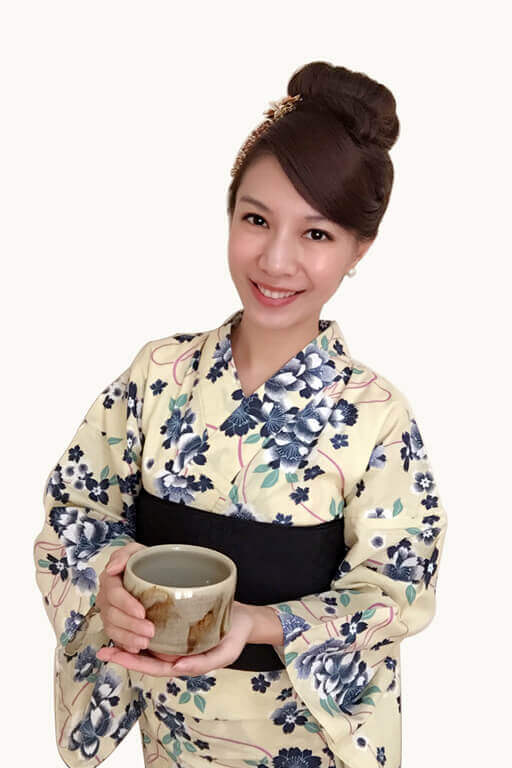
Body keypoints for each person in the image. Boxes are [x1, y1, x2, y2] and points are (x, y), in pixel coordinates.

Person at [34, 60, 447, 768]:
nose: (276, 261)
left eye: (316, 234)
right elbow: (76, 510)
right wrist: (106, 583)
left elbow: (398, 589)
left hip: (303, 740)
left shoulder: (376, 415)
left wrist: (259, 623)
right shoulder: (157, 374)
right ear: (229, 214)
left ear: (360, 248)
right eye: (256, 220)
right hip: (170, 732)